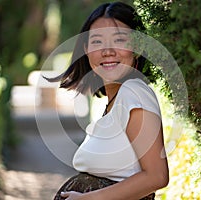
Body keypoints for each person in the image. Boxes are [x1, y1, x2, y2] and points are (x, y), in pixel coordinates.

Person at [50, 2, 169, 200]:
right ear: (86, 49)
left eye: (119, 40)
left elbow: (157, 176)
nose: (108, 51)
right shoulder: (117, 98)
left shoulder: (134, 94)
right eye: (97, 42)